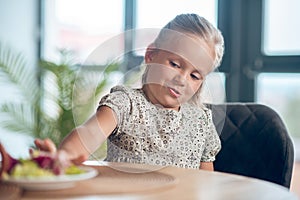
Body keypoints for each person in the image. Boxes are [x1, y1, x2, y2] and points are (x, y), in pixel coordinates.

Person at [35, 13, 224, 171]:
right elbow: (90, 133)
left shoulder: (201, 122)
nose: (181, 79)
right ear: (151, 55)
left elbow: (206, 182)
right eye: (174, 64)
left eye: (195, 76)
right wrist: (65, 155)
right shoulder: (125, 103)